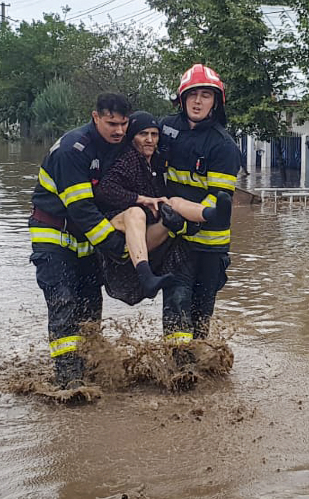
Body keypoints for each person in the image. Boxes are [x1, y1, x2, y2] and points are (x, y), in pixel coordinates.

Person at [29, 93, 132, 391]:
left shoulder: (117, 147)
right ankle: (68, 382)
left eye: (124, 124)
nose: (119, 131)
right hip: (54, 235)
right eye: (112, 123)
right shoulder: (72, 150)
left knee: (90, 306)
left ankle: (89, 368)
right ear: (95, 117)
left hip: (86, 241)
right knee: (63, 302)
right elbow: (82, 209)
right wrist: (116, 246)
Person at [95, 111, 231, 303]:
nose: (150, 140)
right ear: (132, 137)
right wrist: (139, 199)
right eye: (143, 134)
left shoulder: (158, 163)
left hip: (147, 234)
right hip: (120, 233)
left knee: (173, 203)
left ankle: (212, 214)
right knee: (136, 213)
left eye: (154, 134)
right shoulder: (127, 160)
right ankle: (146, 276)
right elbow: (104, 190)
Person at [159, 64, 240, 360]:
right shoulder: (165, 129)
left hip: (210, 246)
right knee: (176, 305)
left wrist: (184, 219)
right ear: (182, 99)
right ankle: (179, 372)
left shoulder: (224, 146)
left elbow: (217, 203)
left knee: (200, 316)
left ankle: (196, 366)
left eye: (205, 95)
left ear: (215, 102)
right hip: (176, 241)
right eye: (192, 94)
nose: (197, 101)